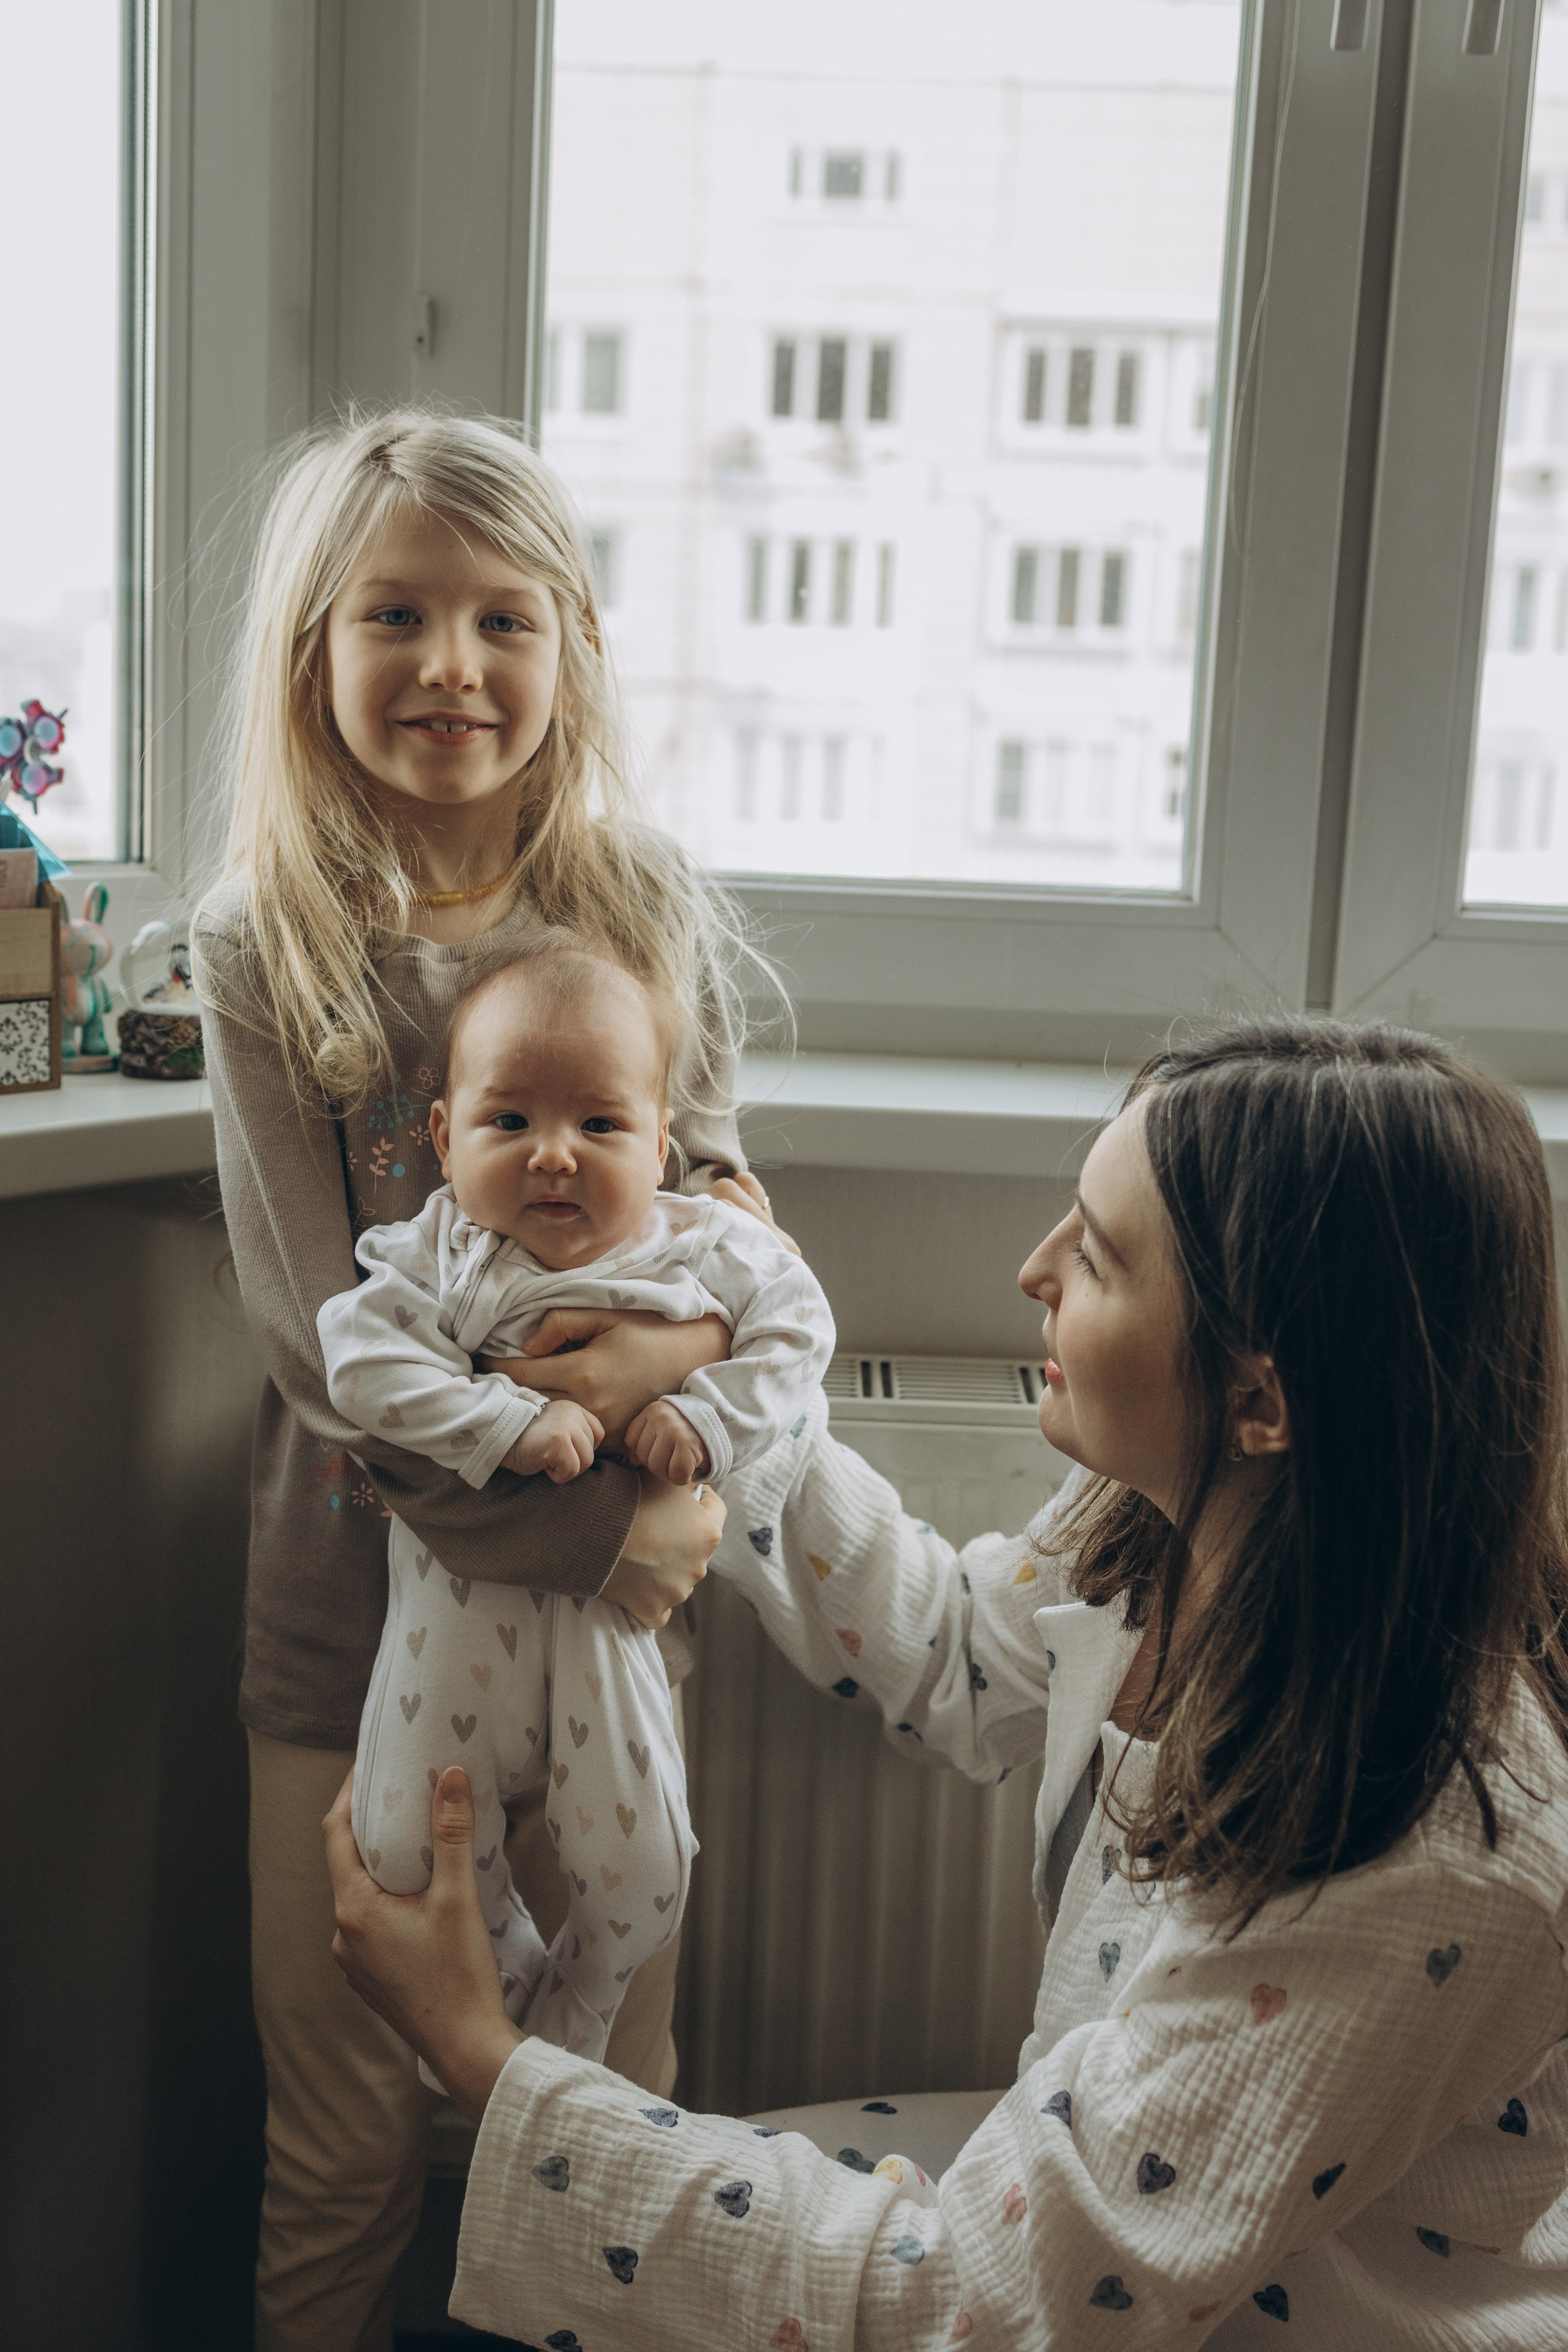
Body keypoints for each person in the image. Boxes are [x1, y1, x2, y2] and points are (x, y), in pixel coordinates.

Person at [329, 1018, 1568, 2349]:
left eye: (1095, 1254)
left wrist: (482, 2053)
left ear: (1259, 1402)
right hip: (1108, 2223)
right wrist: (718, 1364)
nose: (1032, 1268)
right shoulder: (1186, 1537)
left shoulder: (1426, 1853)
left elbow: (962, 2297)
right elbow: (959, 1656)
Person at [192, 408, 785, 2352]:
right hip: (348, 1621)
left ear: (571, 650)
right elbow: (319, 1344)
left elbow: (717, 1253)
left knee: (607, 2122)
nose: (453, 665)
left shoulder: (638, 914)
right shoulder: (265, 949)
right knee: (349, 2129)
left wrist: (672, 1438)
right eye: (398, 616)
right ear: (318, 656)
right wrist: (620, 1521)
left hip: (612, 1649)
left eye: (502, 618)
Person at [319, 937, 834, 2061]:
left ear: (662, 1144)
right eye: (510, 1123)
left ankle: (579, 2008)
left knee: (648, 1866)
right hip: (460, 1613)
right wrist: (504, 1420)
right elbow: (353, 1361)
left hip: (610, 1622)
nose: (554, 1155)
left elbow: (802, 1328)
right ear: (446, 1138)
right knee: (403, 1846)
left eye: (600, 1126)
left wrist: (706, 1415)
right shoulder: (434, 1253)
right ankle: (500, 1988)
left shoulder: (703, 1244)